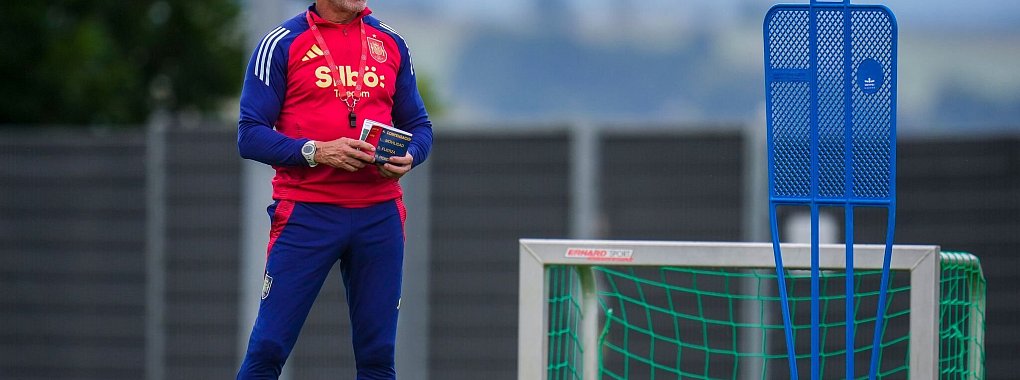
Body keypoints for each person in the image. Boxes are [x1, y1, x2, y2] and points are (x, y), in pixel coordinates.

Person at [235, 0, 433, 378]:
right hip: (307, 213)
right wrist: (316, 151)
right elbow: (249, 135)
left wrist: (411, 155)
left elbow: (420, 126)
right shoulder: (281, 42)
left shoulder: (391, 42)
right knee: (269, 347)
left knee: (377, 355)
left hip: (379, 215)